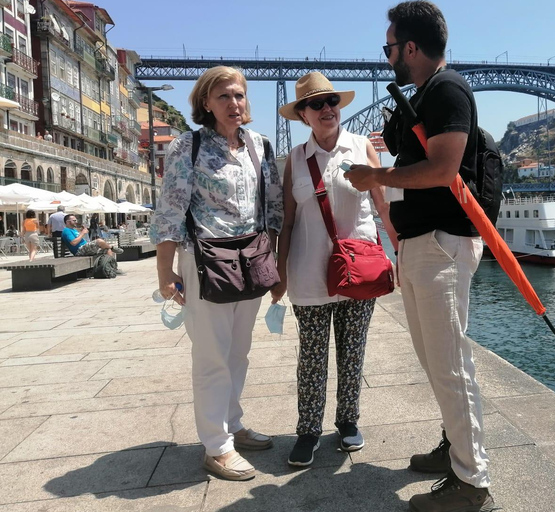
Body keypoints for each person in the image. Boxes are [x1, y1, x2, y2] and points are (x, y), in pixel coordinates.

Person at [345, 2, 494, 511]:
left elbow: (443, 168)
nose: (387, 56)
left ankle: (473, 485)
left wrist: (376, 177)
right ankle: (456, 449)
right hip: (422, 245)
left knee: (450, 363)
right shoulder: (427, 94)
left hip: (441, 244)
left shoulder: (448, 89)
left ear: (410, 47)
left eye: (389, 47)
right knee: (437, 361)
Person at [149, 66, 283, 482]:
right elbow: (170, 209)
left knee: (238, 353)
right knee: (211, 357)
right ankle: (216, 446)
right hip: (205, 259)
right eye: (224, 96)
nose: (234, 103)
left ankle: (232, 423)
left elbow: (273, 208)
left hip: (252, 258)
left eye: (240, 95)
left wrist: (274, 264)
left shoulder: (260, 145)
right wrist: (165, 272)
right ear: (205, 102)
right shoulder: (187, 147)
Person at [273, 72, 398, 467]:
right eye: (317, 104)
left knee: (353, 351)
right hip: (309, 271)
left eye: (332, 102)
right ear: (303, 115)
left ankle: (347, 422)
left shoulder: (362, 147)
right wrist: (279, 271)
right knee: (311, 356)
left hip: (359, 271)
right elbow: (288, 221)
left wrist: (400, 248)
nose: (327, 109)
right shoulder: (294, 159)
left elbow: (382, 206)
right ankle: (308, 430)